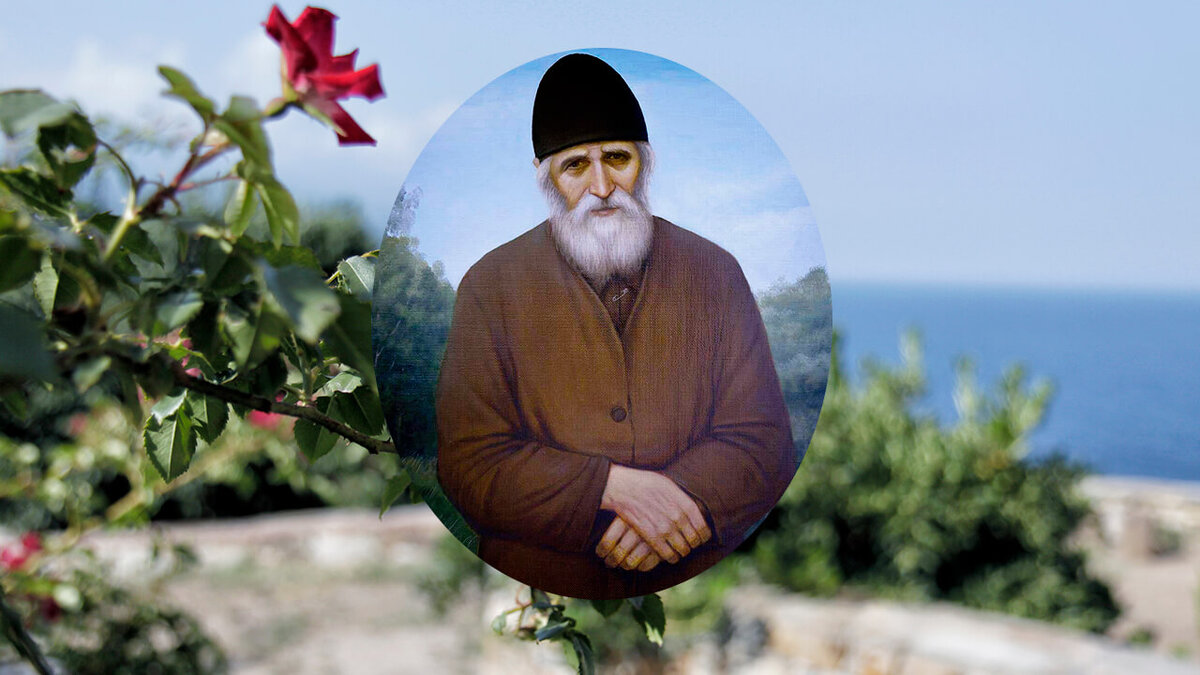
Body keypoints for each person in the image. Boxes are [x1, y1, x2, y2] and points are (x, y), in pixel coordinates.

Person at [435, 53, 796, 599]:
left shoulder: (716, 272)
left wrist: (679, 505)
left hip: (689, 584)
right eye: (576, 166)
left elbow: (765, 441)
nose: (602, 185)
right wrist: (610, 488)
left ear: (644, 163)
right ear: (547, 178)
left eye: (617, 158)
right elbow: (469, 465)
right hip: (540, 588)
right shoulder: (489, 285)